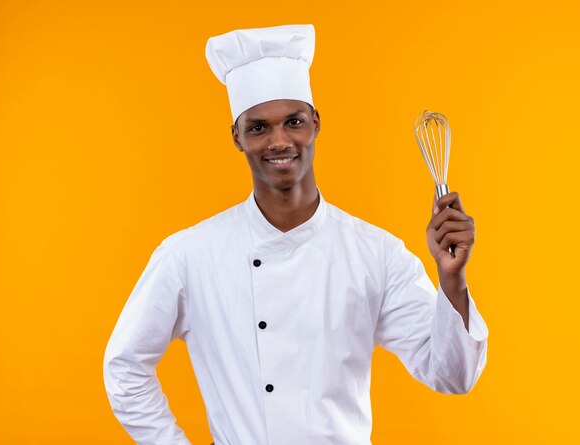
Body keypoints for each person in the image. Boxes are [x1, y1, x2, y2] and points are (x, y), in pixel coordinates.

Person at [103, 24, 488, 445]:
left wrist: (452, 280)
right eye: (258, 128)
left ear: (316, 123)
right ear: (237, 137)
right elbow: (124, 366)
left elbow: (452, 377)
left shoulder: (375, 254)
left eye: (293, 121)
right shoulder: (190, 255)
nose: (279, 141)